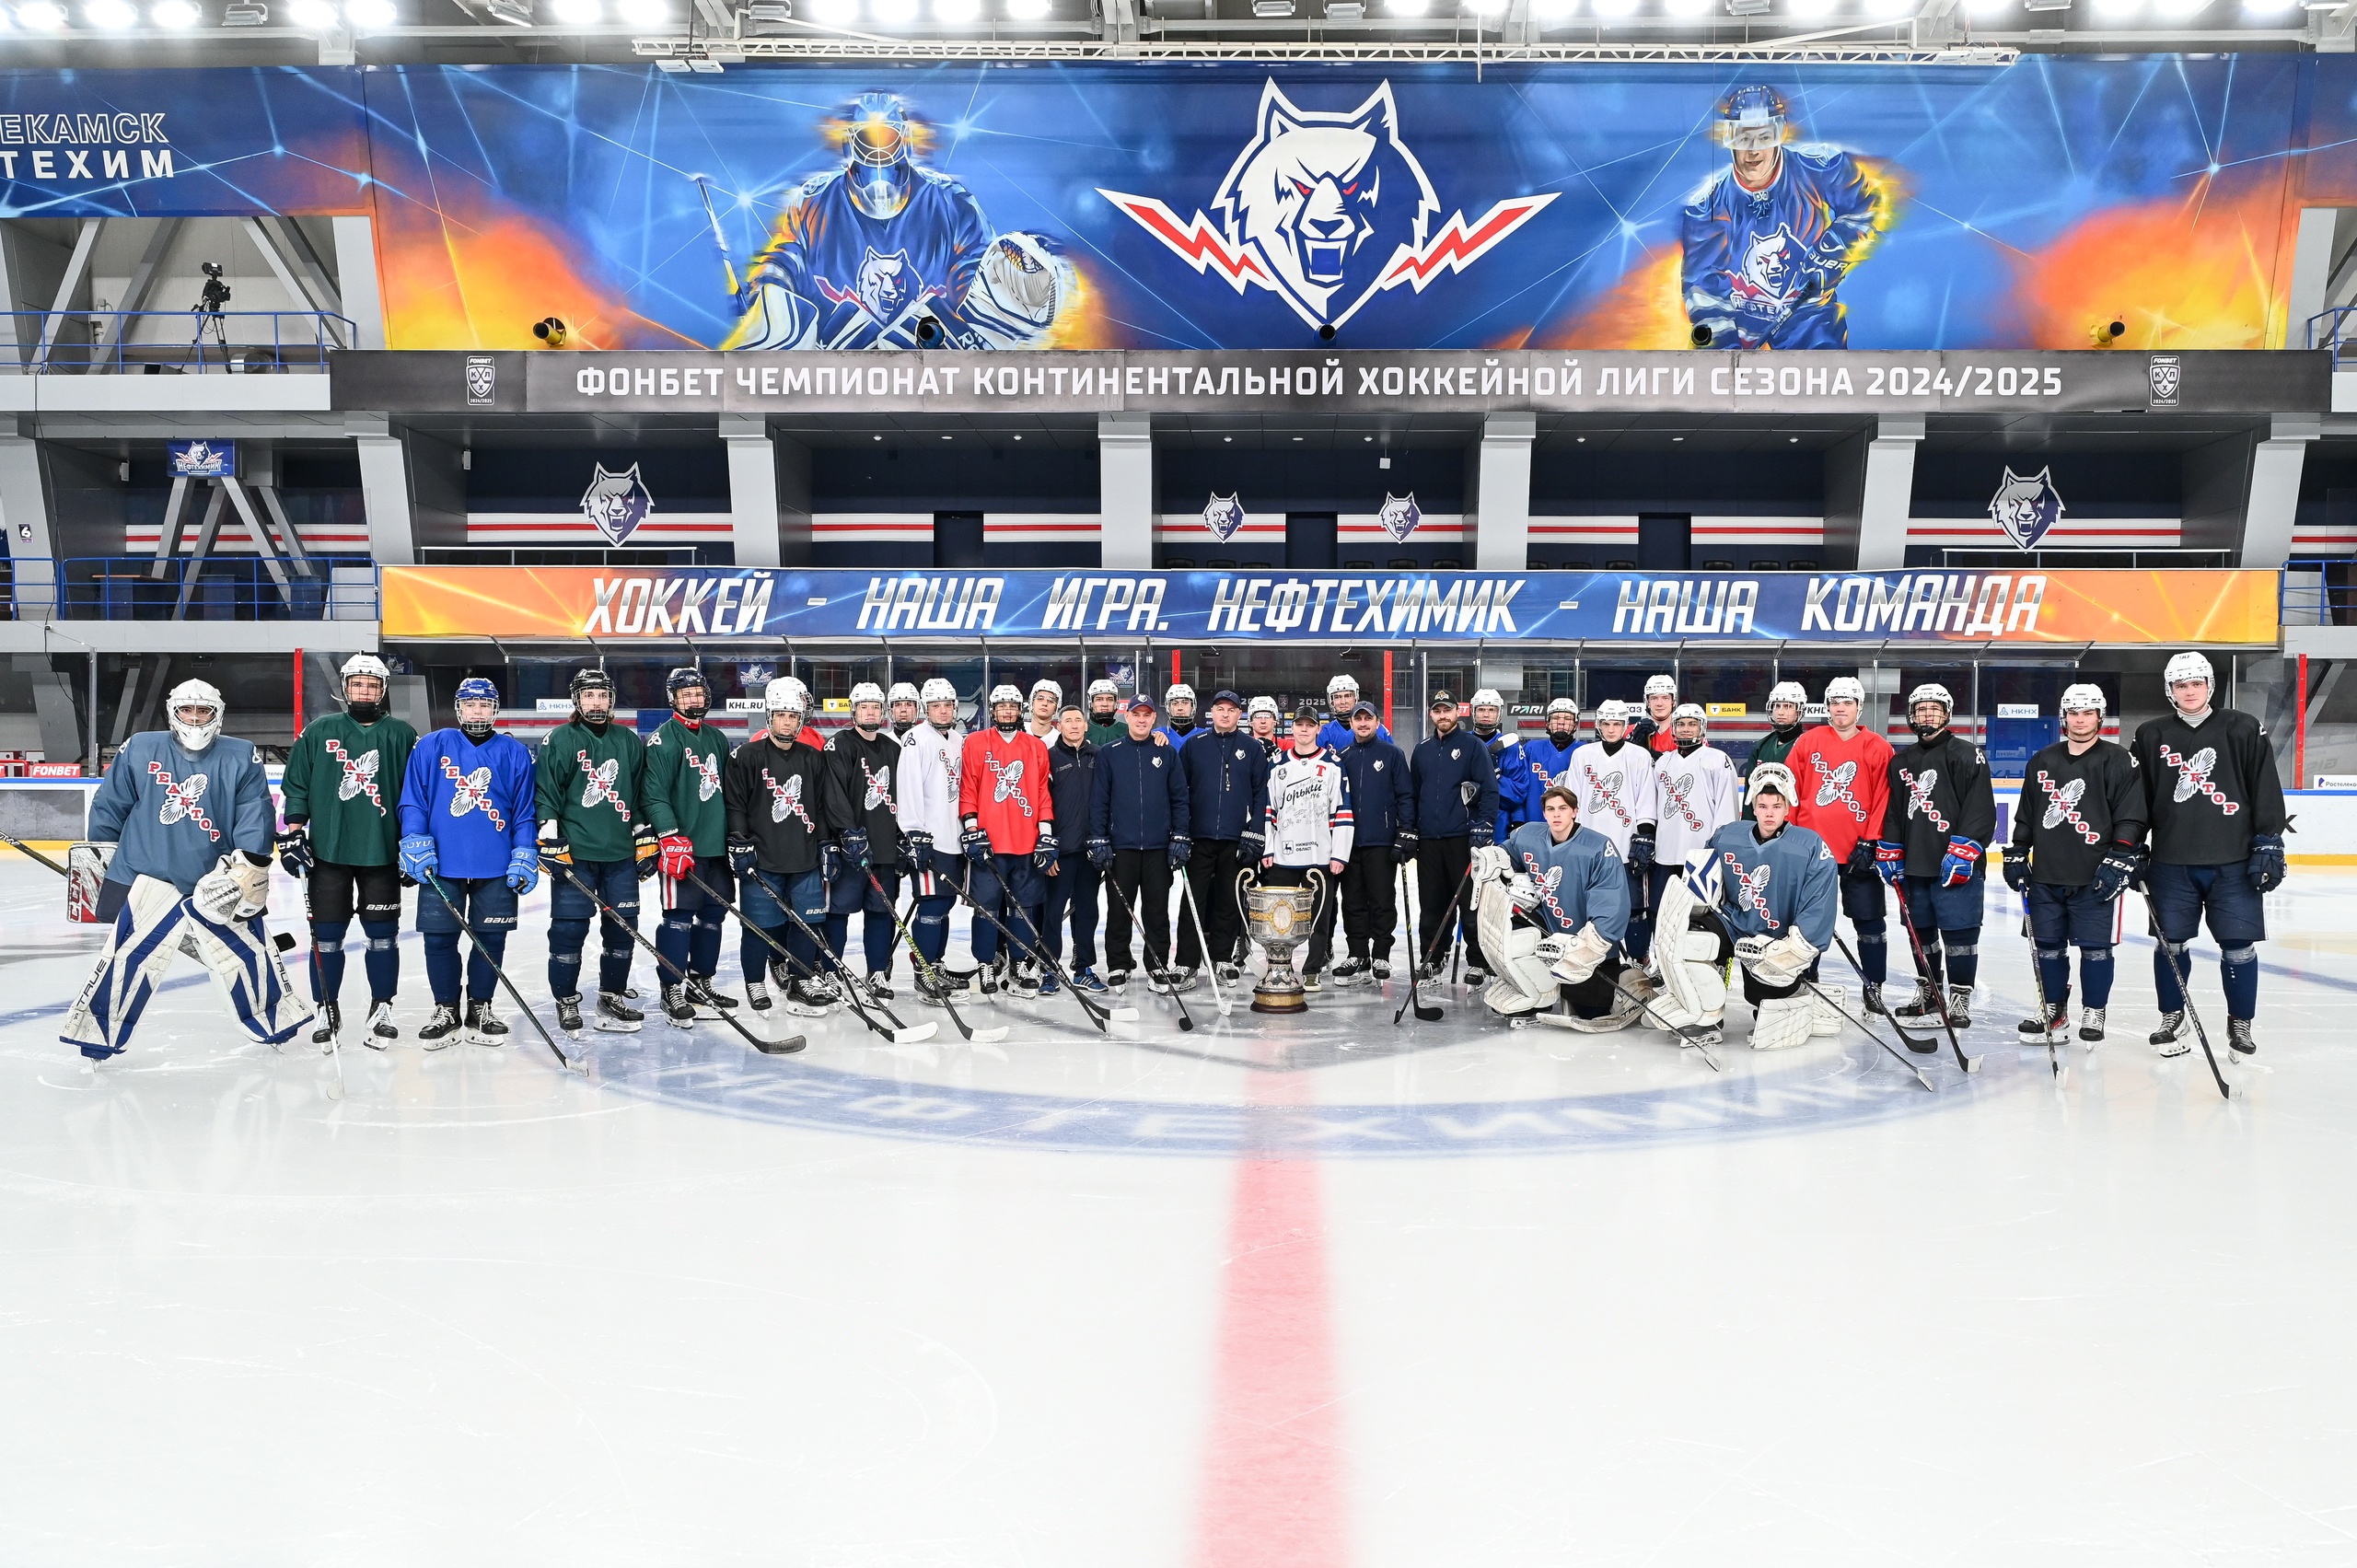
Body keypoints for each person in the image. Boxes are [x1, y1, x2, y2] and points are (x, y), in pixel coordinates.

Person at [62, 679, 308, 1063]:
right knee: (127, 958)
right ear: (172, 713)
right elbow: (110, 806)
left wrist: (250, 866)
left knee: (246, 955)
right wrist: (102, 859)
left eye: (203, 711)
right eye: (186, 710)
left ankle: (276, 1021)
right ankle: (98, 1035)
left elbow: (254, 815)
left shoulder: (241, 755)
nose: (195, 718)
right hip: (146, 875)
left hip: (218, 881)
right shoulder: (141, 748)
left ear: (217, 715)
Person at [2131, 651, 2286, 1061]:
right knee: (2170, 943)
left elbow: (2265, 786)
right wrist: (2131, 845)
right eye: (2181, 685)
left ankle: (2240, 1021)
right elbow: (2138, 799)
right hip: (2171, 862)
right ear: (2170, 690)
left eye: (2196, 683)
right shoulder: (2150, 734)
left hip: (2233, 861)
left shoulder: (2243, 727)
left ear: (2209, 686)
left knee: (2238, 945)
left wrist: (2268, 841)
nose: (2190, 691)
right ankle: (2172, 1015)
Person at [1683, 85, 1887, 352]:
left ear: (1779, 134)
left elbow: (1866, 207)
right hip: (1741, 314)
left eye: (1764, 137)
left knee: (1823, 370)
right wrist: (1724, 348)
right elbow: (1703, 283)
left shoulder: (1819, 168)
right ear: (1730, 138)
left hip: (1807, 313)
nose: (1753, 150)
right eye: (1743, 138)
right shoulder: (1707, 205)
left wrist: (1830, 254)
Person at [278, 653, 416, 1048]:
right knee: (326, 937)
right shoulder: (320, 730)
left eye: (372, 685)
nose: (364, 691)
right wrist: (294, 833)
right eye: (357, 684)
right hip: (328, 854)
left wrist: (413, 842)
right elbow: (297, 785)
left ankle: (382, 1006)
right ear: (345, 687)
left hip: (383, 854)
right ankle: (327, 1006)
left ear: (383, 690)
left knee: (383, 937)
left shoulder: (402, 734)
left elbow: (417, 793)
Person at [1652, 763, 1839, 1051]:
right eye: (1762, 806)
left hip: (1776, 937)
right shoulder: (1728, 836)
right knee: (1694, 941)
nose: (1769, 814)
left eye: (1776, 807)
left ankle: (1794, 997)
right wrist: (1695, 909)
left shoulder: (1810, 846)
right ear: (1753, 806)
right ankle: (1706, 1016)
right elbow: (1704, 881)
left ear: (1787, 808)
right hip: (1733, 923)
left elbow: (1819, 901)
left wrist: (1796, 947)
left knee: (1765, 993)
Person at [397, 677, 538, 1047]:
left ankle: (480, 1007)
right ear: (459, 708)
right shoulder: (431, 745)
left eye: (485, 705)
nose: (478, 712)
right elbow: (413, 799)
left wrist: (524, 851)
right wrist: (413, 838)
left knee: (490, 939)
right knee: (438, 938)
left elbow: (524, 811)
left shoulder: (515, 753)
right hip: (441, 863)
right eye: (471, 705)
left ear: (495, 709)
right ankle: (446, 1008)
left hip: (496, 864)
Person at [2007, 683, 2146, 1047]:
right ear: (2063, 717)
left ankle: (2094, 1010)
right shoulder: (2042, 761)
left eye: (2087, 713)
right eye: (2073, 713)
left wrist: (2121, 855)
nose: (2080, 720)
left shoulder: (2119, 760)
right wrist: (2018, 850)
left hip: (2097, 876)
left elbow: (2131, 816)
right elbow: (2027, 814)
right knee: (2047, 946)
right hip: (2046, 875)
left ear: (2100, 717)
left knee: (2096, 949)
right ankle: (2053, 1009)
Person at [532, 667, 650, 1038]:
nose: (596, 702)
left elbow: (638, 796)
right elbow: (547, 794)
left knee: (623, 930)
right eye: (588, 696)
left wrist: (644, 835)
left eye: (602, 695)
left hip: (620, 856)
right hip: (576, 855)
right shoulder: (560, 739)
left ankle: (611, 997)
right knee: (568, 930)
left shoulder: (628, 741)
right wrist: (549, 837)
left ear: (611, 700)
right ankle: (566, 998)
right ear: (577, 700)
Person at [1875, 682, 1995, 1030]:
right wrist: (1891, 848)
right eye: (1921, 709)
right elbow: (1894, 812)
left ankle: (1959, 997)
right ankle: (1930, 993)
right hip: (1915, 865)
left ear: (1947, 714)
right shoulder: (1901, 762)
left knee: (1960, 934)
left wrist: (1965, 850)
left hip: (1956, 865)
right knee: (1921, 934)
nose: (1928, 714)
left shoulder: (1966, 754)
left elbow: (1980, 808)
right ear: (1911, 715)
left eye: (1935, 708)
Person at [1471, 784, 1631, 1028]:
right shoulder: (1529, 835)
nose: (1556, 815)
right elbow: (1508, 854)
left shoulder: (1598, 848)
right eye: (1550, 809)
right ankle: (1537, 993)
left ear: (1575, 812)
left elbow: (1611, 898)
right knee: (1513, 924)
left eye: (1563, 809)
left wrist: (1594, 943)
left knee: (1590, 1009)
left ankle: (1621, 980)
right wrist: (1493, 858)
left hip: (1584, 945)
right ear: (1544, 813)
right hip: (1548, 933)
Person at [726, 677, 836, 1017]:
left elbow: (821, 807)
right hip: (762, 857)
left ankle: (801, 980)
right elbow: (735, 805)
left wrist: (826, 844)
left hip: (804, 857)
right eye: (781, 716)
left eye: (793, 716)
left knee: (807, 923)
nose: (787, 722)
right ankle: (755, 981)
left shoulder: (813, 758)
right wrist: (739, 841)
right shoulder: (747, 756)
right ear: (769, 717)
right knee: (759, 926)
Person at [1786, 677, 1894, 1016]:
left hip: (1858, 852)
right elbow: (1790, 788)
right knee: (1808, 920)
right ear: (1827, 707)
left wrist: (1871, 840)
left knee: (1869, 920)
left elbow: (1884, 798)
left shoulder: (1878, 747)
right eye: (1835, 702)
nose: (1840, 708)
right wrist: (1792, 836)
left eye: (1847, 702)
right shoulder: (1808, 741)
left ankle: (1874, 984)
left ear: (1859, 708)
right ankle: (1807, 975)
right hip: (1813, 852)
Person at [643, 666, 737, 1027]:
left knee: (713, 917)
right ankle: (672, 988)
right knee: (678, 918)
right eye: (686, 694)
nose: (694, 699)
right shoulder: (663, 740)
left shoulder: (717, 739)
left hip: (716, 847)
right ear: (673, 699)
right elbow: (654, 795)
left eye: (698, 693)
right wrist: (668, 835)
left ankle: (700, 983)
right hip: (682, 848)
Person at [960, 683, 1057, 996]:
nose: (1007, 711)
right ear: (993, 710)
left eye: (1012, 706)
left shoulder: (1035, 747)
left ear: (1020, 710)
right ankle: (986, 963)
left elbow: (1042, 792)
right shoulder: (976, 742)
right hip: (989, 843)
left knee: (1022, 907)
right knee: (986, 908)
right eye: (1001, 706)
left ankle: (1019, 962)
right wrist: (972, 828)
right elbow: (968, 788)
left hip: (1026, 842)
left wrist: (1045, 834)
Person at [1089, 693, 1190, 991]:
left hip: (1159, 848)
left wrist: (1180, 835)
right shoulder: (1110, 753)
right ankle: (1118, 964)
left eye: (1147, 715)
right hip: (1122, 848)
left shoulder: (1167, 753)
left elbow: (1179, 798)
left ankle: (1157, 964)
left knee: (1157, 911)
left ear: (1154, 719)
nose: (1142, 719)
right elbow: (1099, 800)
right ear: (1128, 717)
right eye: (1137, 714)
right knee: (1119, 910)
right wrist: (1098, 839)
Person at [822, 680, 909, 1005]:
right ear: (854, 711)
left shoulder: (892, 749)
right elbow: (833, 794)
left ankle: (877, 972)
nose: (870, 712)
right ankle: (831, 971)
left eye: (875, 707)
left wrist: (902, 835)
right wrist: (848, 832)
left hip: (884, 849)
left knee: (881, 913)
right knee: (838, 912)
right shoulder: (839, 745)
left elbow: (905, 795)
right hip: (850, 850)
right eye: (864, 707)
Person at [1176, 689, 1267, 990]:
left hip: (1236, 839)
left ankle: (1222, 958)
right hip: (1199, 837)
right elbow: (1179, 791)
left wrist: (1255, 831)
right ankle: (1187, 962)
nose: (1225, 714)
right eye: (1220, 709)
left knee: (1229, 900)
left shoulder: (1252, 748)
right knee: (1193, 901)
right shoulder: (1194, 745)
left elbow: (1261, 793)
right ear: (1211, 713)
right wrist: (1181, 831)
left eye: (1231, 710)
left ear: (1239, 714)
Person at [1260, 706, 1353, 991]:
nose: (1303, 729)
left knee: (1319, 917)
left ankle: (1313, 969)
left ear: (1317, 729)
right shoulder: (1278, 764)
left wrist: (1339, 854)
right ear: (1292, 728)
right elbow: (1269, 811)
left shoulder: (1333, 765)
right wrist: (1268, 849)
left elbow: (1343, 811)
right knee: (1281, 916)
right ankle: (1280, 967)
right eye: (1299, 724)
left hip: (1320, 856)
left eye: (1309, 725)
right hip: (1284, 856)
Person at [1409, 691, 1499, 983]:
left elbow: (1489, 789)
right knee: (1432, 904)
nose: (1442, 715)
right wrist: (1410, 828)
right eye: (1437, 711)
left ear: (1457, 713)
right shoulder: (1422, 750)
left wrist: (1485, 824)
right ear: (1431, 715)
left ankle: (1478, 961)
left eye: (1447, 710)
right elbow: (1414, 794)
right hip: (1429, 840)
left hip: (1463, 838)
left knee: (1470, 904)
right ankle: (1433, 958)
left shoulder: (1472, 746)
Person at [1567, 699, 1662, 965]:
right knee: (1588, 905)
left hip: (1626, 845)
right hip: (1589, 848)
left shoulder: (1639, 756)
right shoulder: (1582, 755)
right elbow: (1572, 800)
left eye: (1617, 724)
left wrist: (1645, 836)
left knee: (1634, 906)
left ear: (1625, 725)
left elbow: (1646, 799)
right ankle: (1593, 956)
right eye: (1606, 724)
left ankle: (1638, 958)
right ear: (1598, 725)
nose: (1611, 729)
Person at [897, 677, 971, 1005]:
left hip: (954, 838)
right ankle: (924, 973)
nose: (942, 711)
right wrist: (914, 832)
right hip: (929, 839)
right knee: (931, 905)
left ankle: (936, 965)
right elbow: (908, 787)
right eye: (936, 706)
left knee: (946, 904)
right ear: (926, 709)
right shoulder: (916, 739)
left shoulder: (957, 739)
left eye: (947, 705)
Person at [1333, 701, 1413, 985]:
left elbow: (1405, 795)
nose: (1363, 723)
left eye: (1368, 719)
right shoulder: (1342, 757)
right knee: (1352, 901)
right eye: (1358, 719)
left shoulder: (1392, 754)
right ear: (1352, 723)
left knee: (1381, 899)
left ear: (1377, 723)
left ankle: (1380, 954)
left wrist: (1406, 831)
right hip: (1349, 842)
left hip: (1381, 840)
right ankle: (1357, 954)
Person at [1649, 703, 1739, 933]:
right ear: (1674, 728)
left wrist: (1719, 847)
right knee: (1664, 915)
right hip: (1666, 854)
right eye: (1680, 724)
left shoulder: (1717, 759)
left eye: (1692, 724)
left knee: (1701, 916)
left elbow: (1727, 809)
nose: (1686, 729)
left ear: (1702, 728)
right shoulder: (1663, 763)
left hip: (1702, 855)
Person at [1043, 704, 1105, 994]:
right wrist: (1047, 846)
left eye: (1078, 720)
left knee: (1087, 911)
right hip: (1060, 852)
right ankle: (1049, 969)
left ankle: (1083, 968)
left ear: (1086, 725)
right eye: (1068, 720)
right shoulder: (1049, 757)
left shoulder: (1099, 756)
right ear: (1059, 726)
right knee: (1053, 912)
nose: (1074, 725)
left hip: (1090, 851)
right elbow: (1041, 802)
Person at [1471, 688, 1542, 846]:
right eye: (1481, 709)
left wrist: (1495, 776)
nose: (1486, 714)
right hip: (1461, 824)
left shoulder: (1511, 746)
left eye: (1491, 710)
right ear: (1473, 712)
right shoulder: (1463, 742)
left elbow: (1518, 793)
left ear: (1499, 713)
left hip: (1497, 826)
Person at [1743, 680, 1809, 821]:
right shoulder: (1762, 746)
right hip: (1764, 823)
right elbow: (1750, 792)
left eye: (1788, 706)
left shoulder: (1808, 745)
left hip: (1794, 825)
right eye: (1777, 706)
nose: (1780, 712)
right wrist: (1748, 827)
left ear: (1799, 711)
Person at [1523, 698, 1581, 795]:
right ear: (1548, 723)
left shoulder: (1584, 752)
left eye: (1567, 719)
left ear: (1575, 724)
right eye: (1556, 718)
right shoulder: (1531, 749)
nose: (1561, 722)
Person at [1319, 674, 1389, 753]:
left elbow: (1391, 755)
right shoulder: (1325, 732)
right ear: (1331, 701)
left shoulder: (1378, 729)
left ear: (1355, 697)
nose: (1343, 702)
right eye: (1337, 697)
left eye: (1347, 696)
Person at [1631, 675, 1678, 752]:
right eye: (1654, 698)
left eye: (1665, 698)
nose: (1659, 703)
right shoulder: (1632, 731)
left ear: (1673, 701)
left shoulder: (1684, 732)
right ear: (1647, 702)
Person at [1158, 682, 1203, 750]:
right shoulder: (1157, 735)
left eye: (1185, 703)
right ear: (1168, 707)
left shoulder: (1206, 736)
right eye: (1175, 703)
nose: (1180, 708)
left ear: (1192, 707)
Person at [1084, 679, 1125, 749]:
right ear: (1091, 702)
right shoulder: (1081, 731)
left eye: (1110, 699)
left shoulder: (1127, 730)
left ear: (1116, 702)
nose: (1105, 704)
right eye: (1099, 699)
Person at [1248, 695, 1283, 764]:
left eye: (1267, 716)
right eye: (1258, 716)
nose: (1263, 721)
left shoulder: (1289, 746)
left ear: (1275, 721)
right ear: (1250, 722)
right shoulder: (1243, 747)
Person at [1026, 679, 1062, 743]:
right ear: (1032, 703)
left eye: (1050, 700)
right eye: (1040, 699)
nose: (1045, 703)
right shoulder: (1017, 732)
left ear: (1056, 707)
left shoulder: (1060, 740)